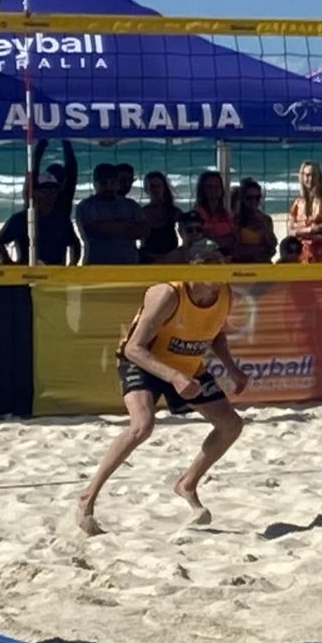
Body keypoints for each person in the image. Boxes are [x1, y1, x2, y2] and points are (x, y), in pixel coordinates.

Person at [73, 233, 250, 536]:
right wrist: (175, 377)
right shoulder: (167, 294)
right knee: (142, 425)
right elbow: (133, 348)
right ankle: (88, 496)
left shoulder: (224, 292)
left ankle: (187, 484)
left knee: (231, 425)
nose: (219, 268)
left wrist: (232, 369)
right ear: (193, 268)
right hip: (145, 362)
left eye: (220, 261)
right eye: (211, 263)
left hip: (187, 365)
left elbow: (216, 332)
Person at [75, 163, 145, 267]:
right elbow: (95, 229)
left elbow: (142, 231)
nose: (108, 186)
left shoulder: (131, 205)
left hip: (130, 266)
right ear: (95, 184)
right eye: (104, 183)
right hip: (96, 266)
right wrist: (127, 225)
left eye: (112, 182)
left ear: (117, 183)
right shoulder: (86, 206)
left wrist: (109, 226)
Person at [287, 162, 322, 264]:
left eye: (314, 175)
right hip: (300, 255)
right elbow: (290, 231)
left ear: (319, 178)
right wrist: (311, 230)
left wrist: (309, 236)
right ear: (302, 177)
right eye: (307, 175)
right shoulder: (298, 203)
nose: (310, 179)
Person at [227, 179, 277, 267]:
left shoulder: (266, 219)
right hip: (241, 266)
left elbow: (271, 247)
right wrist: (259, 250)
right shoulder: (236, 220)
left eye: (257, 197)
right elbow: (236, 250)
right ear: (242, 199)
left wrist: (264, 226)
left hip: (262, 265)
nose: (254, 201)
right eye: (249, 198)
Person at [137, 172, 182, 261]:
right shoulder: (141, 213)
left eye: (158, 186)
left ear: (164, 187)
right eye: (152, 186)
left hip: (171, 259)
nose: (156, 190)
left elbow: (186, 237)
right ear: (146, 189)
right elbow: (139, 240)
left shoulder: (175, 212)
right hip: (148, 258)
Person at [186, 170, 237, 248]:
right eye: (209, 186)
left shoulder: (224, 213)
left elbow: (235, 235)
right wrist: (226, 239)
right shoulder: (197, 214)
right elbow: (205, 240)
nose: (214, 189)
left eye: (217, 186)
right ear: (202, 189)